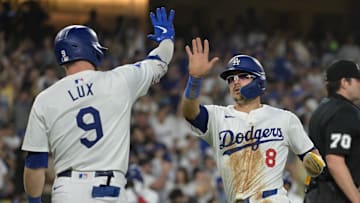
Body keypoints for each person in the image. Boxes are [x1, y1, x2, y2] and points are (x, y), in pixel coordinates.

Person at [21, 7, 175, 203]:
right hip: (109, 189)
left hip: (66, 191)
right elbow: (160, 61)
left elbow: (35, 165)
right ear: (93, 50)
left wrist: (34, 202)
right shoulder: (120, 80)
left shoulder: (45, 98)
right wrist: (166, 39)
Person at [180, 38, 326, 203]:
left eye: (243, 76)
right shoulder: (217, 116)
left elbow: (313, 158)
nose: (235, 81)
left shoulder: (285, 118)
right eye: (230, 79)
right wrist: (195, 80)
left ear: (259, 81)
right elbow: (189, 112)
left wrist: (314, 164)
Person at [304, 60, 360, 203]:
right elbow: (335, 161)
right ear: (344, 82)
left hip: (318, 191)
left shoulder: (322, 109)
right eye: (357, 80)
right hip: (334, 194)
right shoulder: (344, 111)